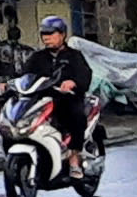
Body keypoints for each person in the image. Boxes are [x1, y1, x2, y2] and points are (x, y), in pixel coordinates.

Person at [20, 14, 94, 173]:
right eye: (44, 35)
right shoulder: (37, 57)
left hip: (67, 99)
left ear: (62, 35)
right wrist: (9, 84)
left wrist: (73, 82)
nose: (47, 38)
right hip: (42, 99)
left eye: (51, 34)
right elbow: (25, 75)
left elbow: (84, 74)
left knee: (76, 117)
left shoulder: (74, 56)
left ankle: (74, 157)